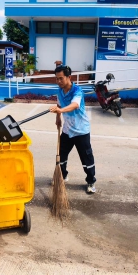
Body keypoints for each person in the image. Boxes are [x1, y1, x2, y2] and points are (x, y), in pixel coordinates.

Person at [50, 65, 96, 194]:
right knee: (61, 156)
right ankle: (62, 176)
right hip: (67, 130)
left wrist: (61, 110)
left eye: (61, 78)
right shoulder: (59, 91)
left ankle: (91, 181)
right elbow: (59, 104)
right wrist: (58, 117)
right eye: (56, 79)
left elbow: (75, 105)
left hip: (81, 130)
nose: (58, 81)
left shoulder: (77, 90)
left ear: (69, 77)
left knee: (86, 158)